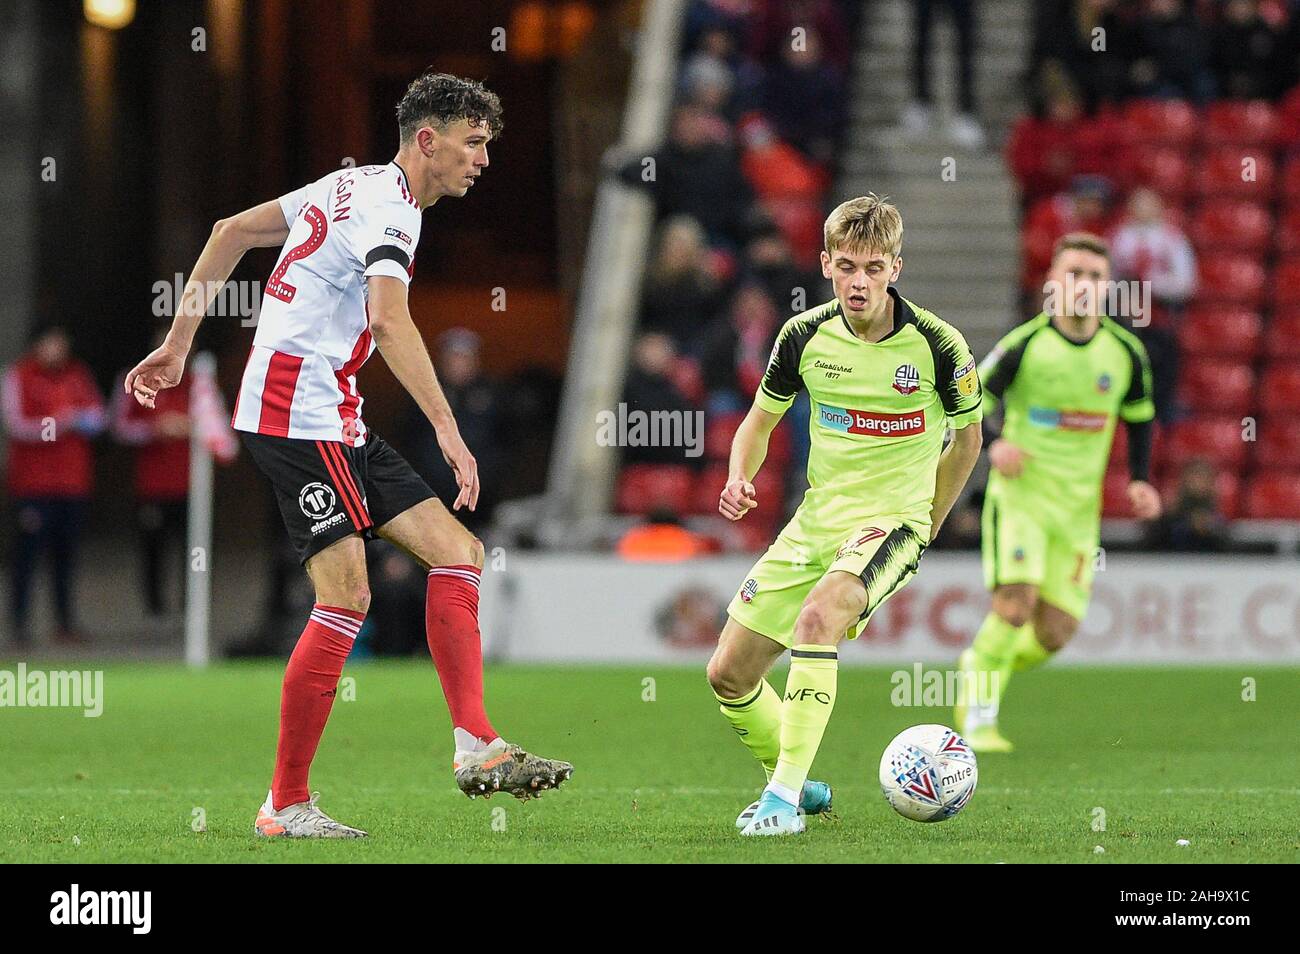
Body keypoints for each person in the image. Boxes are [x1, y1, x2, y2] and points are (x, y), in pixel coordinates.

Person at [123, 72, 571, 839]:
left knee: (458, 552)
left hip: (334, 410)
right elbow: (390, 323)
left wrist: (176, 342)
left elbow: (230, 230)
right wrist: (447, 428)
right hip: (297, 411)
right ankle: (285, 805)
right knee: (347, 598)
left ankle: (475, 744)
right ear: (427, 140)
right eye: (473, 144)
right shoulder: (389, 209)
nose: (483, 161)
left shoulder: (348, 184)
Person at [705, 195, 985, 836]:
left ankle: (779, 798)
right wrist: (738, 476)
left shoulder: (939, 345)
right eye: (848, 266)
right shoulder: (803, 336)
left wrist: (929, 522)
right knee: (729, 673)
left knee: (817, 618)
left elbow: (966, 441)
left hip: (892, 521)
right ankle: (801, 785)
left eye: (875, 267)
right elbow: (759, 421)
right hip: (816, 522)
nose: (860, 281)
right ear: (827, 263)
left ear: (896, 268)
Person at [955, 233, 1162, 752]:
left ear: (1108, 286)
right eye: (1074, 274)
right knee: (1015, 606)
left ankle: (981, 660)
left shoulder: (1126, 354)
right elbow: (970, 399)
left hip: (1077, 514)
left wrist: (1139, 478)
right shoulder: (1025, 344)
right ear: (1052, 282)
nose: (1084, 286)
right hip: (1021, 497)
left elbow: (1139, 419)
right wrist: (996, 444)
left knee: (1054, 635)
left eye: (1094, 276)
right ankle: (978, 715)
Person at [2, 325, 106, 645]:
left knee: (66, 557)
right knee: (26, 558)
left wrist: (84, 421)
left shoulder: (78, 374)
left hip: (72, 484)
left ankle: (65, 624)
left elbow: (100, 415)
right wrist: (61, 423)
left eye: (62, 344)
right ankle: (19, 624)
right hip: (33, 486)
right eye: (51, 344)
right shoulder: (17, 376)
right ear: (38, 345)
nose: (57, 350)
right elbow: (16, 424)